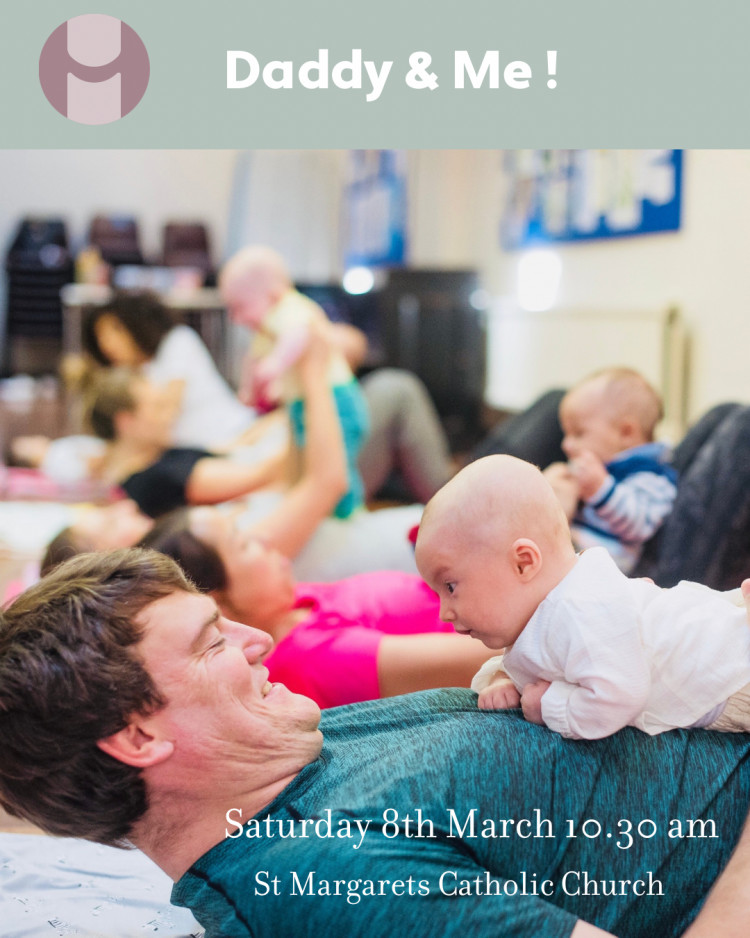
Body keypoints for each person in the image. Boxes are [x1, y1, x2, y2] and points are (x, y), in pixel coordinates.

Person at [2, 549, 750, 938]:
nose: (260, 639)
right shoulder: (318, 883)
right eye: (211, 643)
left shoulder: (297, 752)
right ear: (138, 736)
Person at [415, 454, 750, 740]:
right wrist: (505, 679)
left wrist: (545, 706)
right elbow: (537, 662)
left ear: (523, 563)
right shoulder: (542, 610)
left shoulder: (580, 610)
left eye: (451, 587)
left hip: (729, 679)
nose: (444, 612)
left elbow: (620, 696)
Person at [140, 507, 492, 707]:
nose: (263, 540)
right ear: (219, 603)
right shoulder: (313, 660)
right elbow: (483, 657)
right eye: (243, 544)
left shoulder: (288, 601)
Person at [220, 245, 369, 519]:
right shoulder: (267, 325)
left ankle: (348, 512)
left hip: (338, 400)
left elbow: (299, 335)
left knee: (337, 458)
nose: (236, 318)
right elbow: (252, 358)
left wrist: (276, 364)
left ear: (272, 294)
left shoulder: (290, 308)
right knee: (307, 454)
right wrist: (248, 389)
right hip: (306, 403)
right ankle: (318, 506)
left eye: (240, 307)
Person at [543, 368, 678, 573]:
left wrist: (601, 489)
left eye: (578, 433)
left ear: (626, 433)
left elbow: (641, 525)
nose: (566, 445)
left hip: (604, 570)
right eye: (566, 434)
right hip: (570, 554)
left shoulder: (652, 475)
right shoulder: (598, 465)